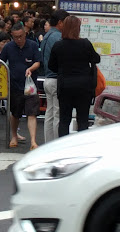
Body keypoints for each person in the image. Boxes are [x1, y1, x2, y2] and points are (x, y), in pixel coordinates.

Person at [48, 15, 101, 137]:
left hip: (65, 86)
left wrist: (62, 70)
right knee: (82, 120)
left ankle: (62, 146)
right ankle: (80, 147)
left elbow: (51, 66)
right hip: (84, 87)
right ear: (77, 28)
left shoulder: (58, 45)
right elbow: (96, 59)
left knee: (64, 120)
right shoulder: (85, 44)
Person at [0, 23, 41, 149]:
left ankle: (33, 141)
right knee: (15, 113)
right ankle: (14, 136)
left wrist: (31, 69)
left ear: (25, 34)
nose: (18, 39)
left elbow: (38, 62)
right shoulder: (9, 47)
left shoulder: (33, 45)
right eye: (15, 37)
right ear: (12, 36)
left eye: (20, 36)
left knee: (32, 113)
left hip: (30, 86)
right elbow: (1, 62)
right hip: (15, 85)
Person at [40, 9, 69, 143]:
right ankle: (56, 144)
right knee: (58, 114)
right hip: (57, 79)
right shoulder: (58, 37)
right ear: (60, 22)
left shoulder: (47, 35)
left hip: (47, 79)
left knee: (49, 114)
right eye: (66, 22)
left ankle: (48, 143)